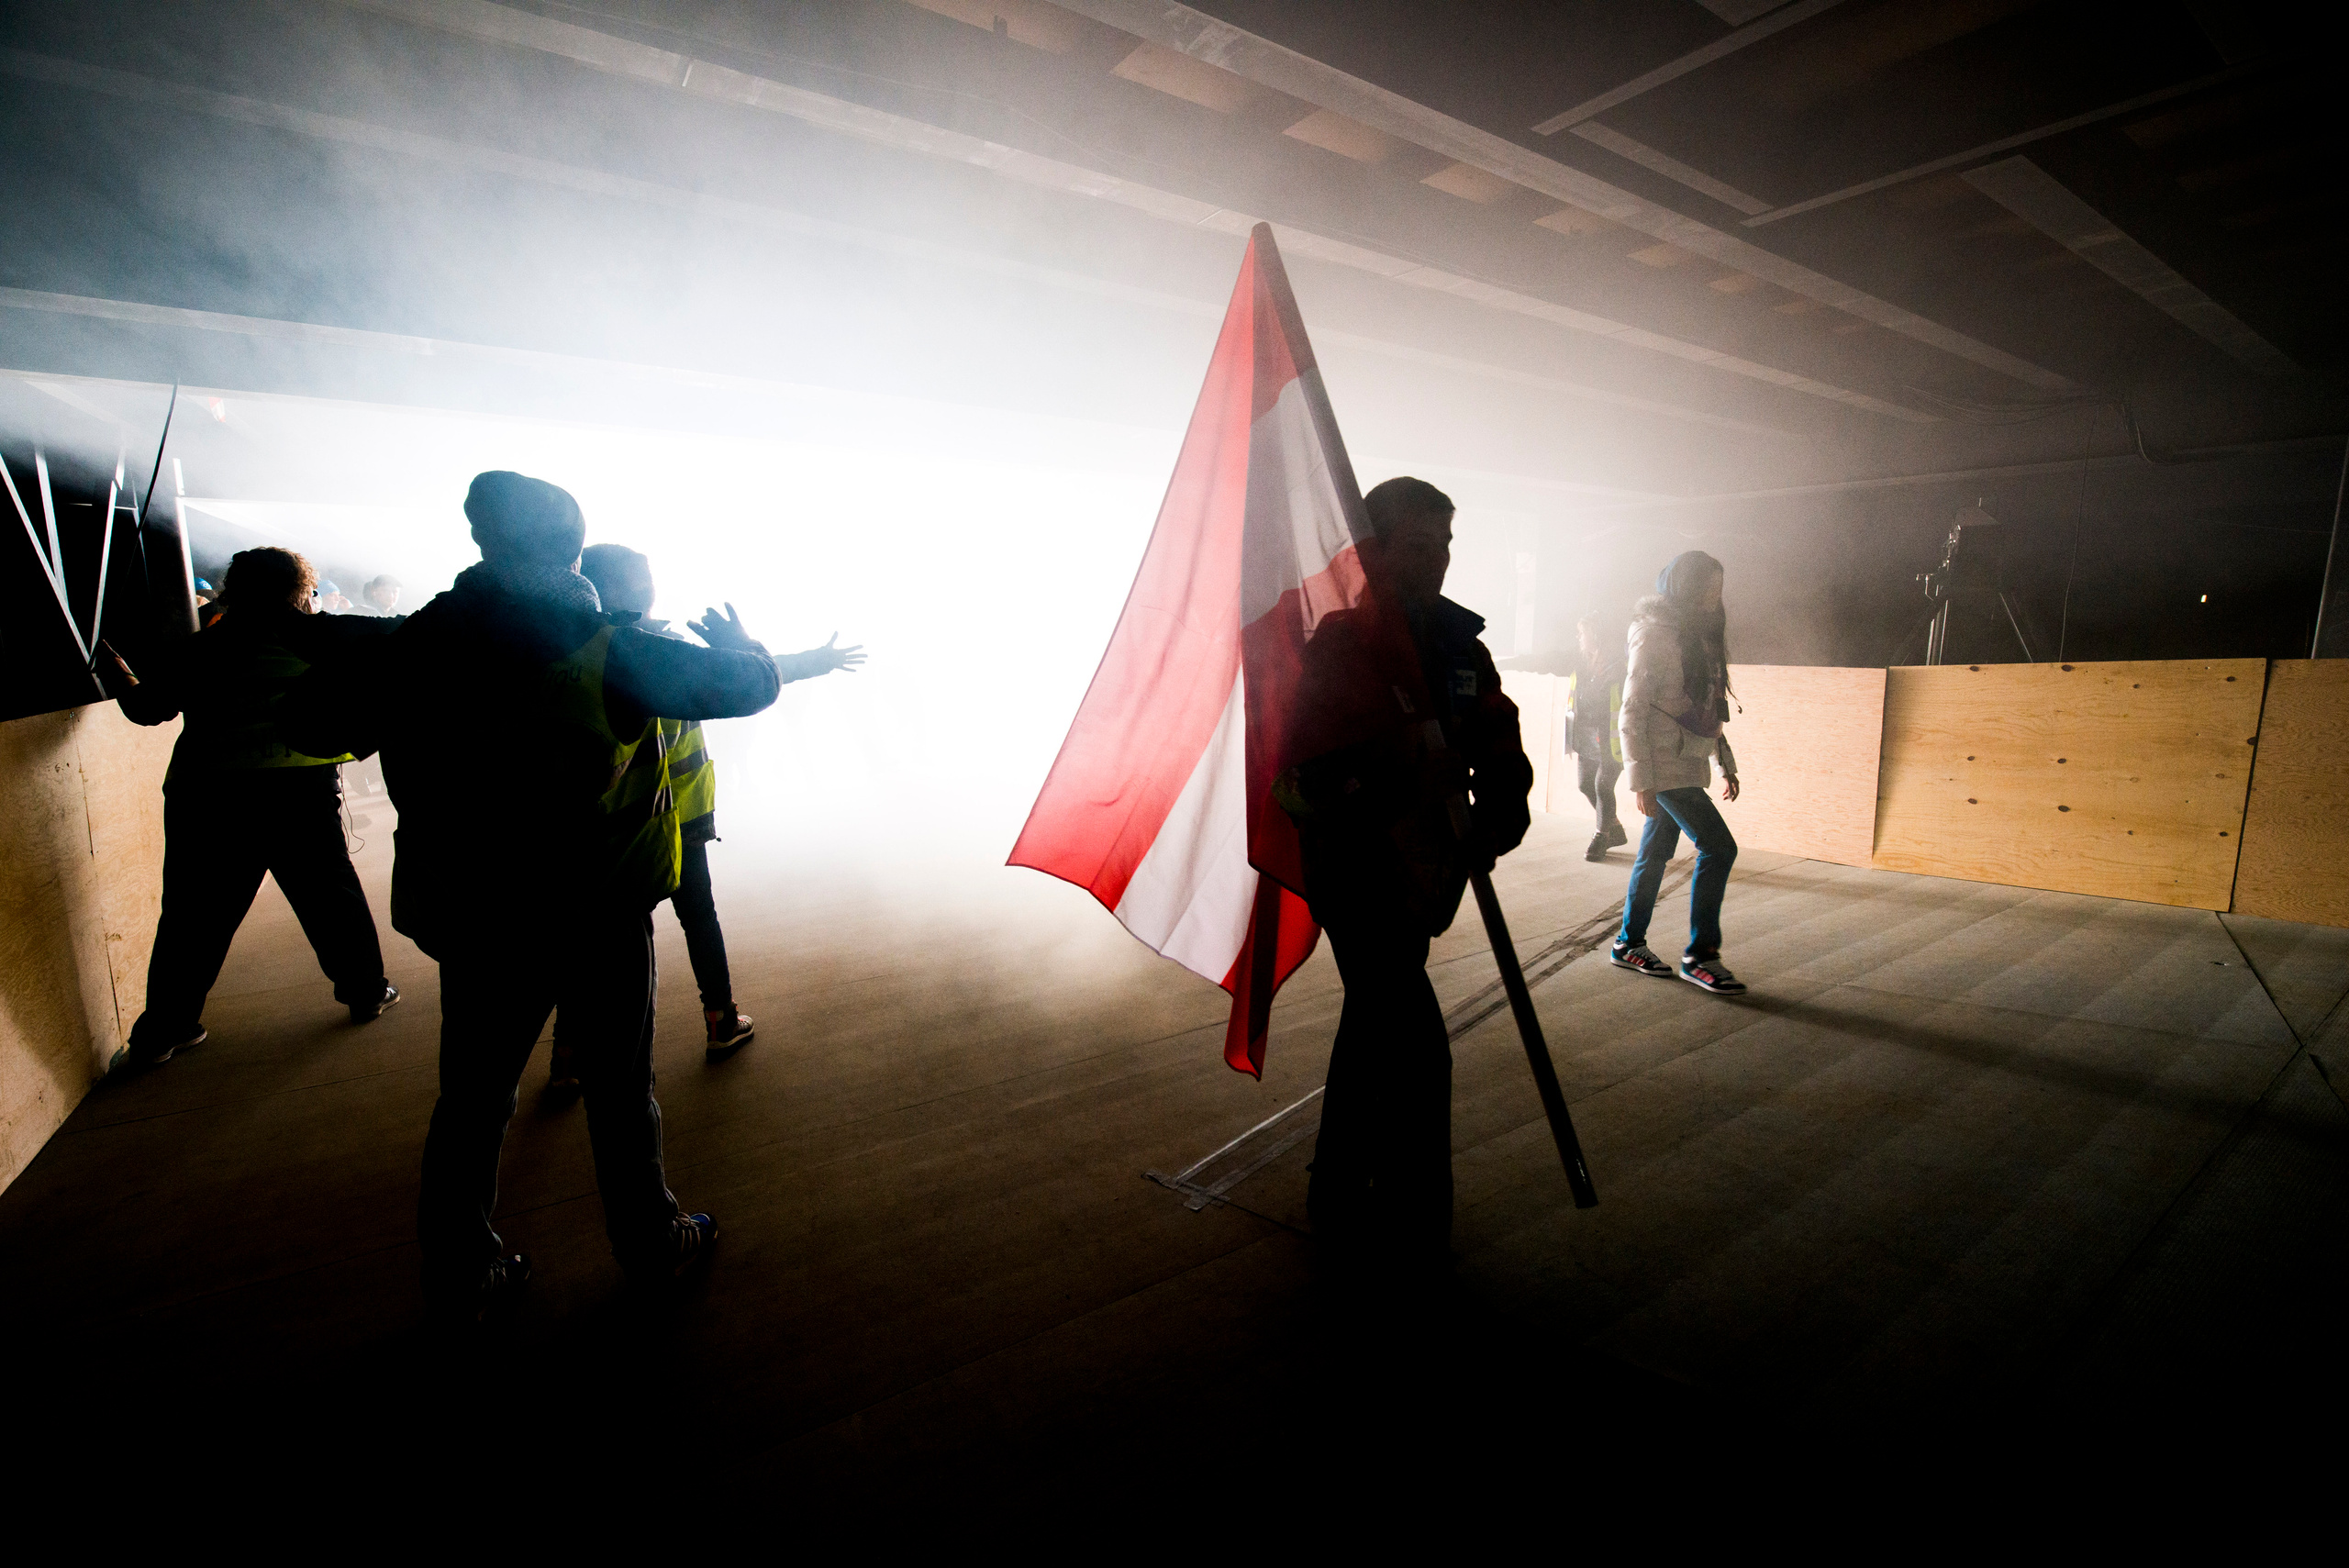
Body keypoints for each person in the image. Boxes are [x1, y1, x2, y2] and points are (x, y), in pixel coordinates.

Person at [285, 472, 851, 1318]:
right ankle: (652, 1243)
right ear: (571, 547)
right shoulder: (609, 646)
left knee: (473, 1102)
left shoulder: (420, 645)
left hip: (475, 914)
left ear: (482, 541)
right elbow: (747, 688)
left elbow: (311, 728)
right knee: (621, 1091)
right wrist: (748, 642)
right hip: (597, 911)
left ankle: (462, 1269)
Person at [1279, 476, 1533, 1264]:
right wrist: (1396, 784)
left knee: (1372, 1023)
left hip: (1427, 869)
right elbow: (1312, 774)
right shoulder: (1341, 646)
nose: (1440, 561)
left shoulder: (1462, 645)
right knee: (1419, 1046)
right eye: (1419, 545)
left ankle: (1337, 1183)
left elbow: (1497, 739)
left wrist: (1497, 816)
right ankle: (1415, 1226)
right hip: (1354, 870)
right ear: (1374, 549)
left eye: (1446, 544)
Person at [548, 543, 863, 1089]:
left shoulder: (570, 655)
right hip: (673, 822)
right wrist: (773, 653)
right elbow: (746, 678)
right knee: (698, 920)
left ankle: (569, 1055)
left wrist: (812, 658)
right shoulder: (660, 652)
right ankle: (720, 1021)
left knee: (586, 942)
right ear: (640, 589)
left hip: (602, 832)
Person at [96, 547, 400, 1070]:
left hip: (207, 797)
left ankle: (165, 1031)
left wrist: (119, 674)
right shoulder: (318, 639)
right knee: (331, 896)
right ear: (300, 590)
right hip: (298, 791)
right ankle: (366, 992)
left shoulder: (200, 649)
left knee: (194, 916)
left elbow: (148, 711)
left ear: (233, 591)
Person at [1611, 550, 1745, 995]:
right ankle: (1701, 955)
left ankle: (1628, 943)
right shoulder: (1654, 636)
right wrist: (1641, 779)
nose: (1715, 596)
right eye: (1707, 586)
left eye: (1719, 587)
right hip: (1665, 766)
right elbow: (1630, 712)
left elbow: (1709, 710)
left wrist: (1724, 764)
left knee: (1655, 854)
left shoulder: (1701, 638)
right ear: (1685, 588)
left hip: (1687, 760)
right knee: (1719, 848)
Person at [1564, 611, 1626, 862]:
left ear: (1596, 635)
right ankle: (1616, 830)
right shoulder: (1582, 663)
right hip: (1588, 738)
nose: (1579, 637)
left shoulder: (1618, 668)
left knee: (1603, 785)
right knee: (1584, 785)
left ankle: (1602, 835)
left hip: (1612, 740)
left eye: (1583, 632)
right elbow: (1546, 661)